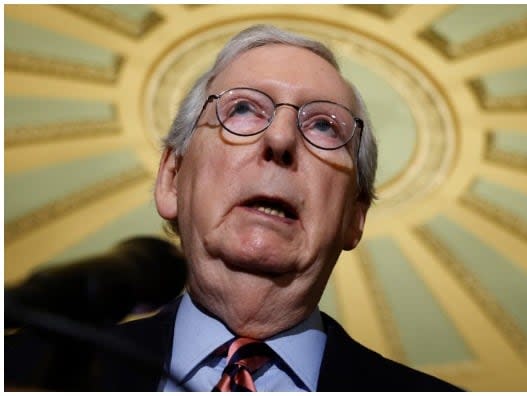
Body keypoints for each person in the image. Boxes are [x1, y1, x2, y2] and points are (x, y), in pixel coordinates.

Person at [5, 25, 463, 392]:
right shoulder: (24, 375)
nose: (280, 140)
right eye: (243, 109)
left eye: (324, 125)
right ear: (171, 180)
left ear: (355, 217)